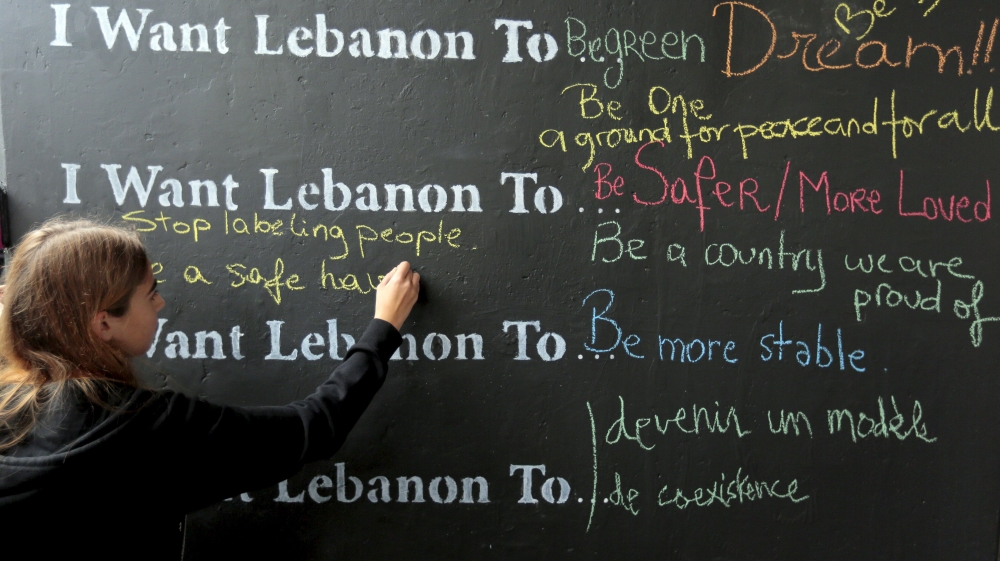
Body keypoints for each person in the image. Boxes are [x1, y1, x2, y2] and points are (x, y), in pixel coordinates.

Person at [0, 218, 420, 559]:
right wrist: (383, 329)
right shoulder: (145, 425)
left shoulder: (8, 414)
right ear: (104, 323)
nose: (161, 304)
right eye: (151, 294)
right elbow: (314, 426)